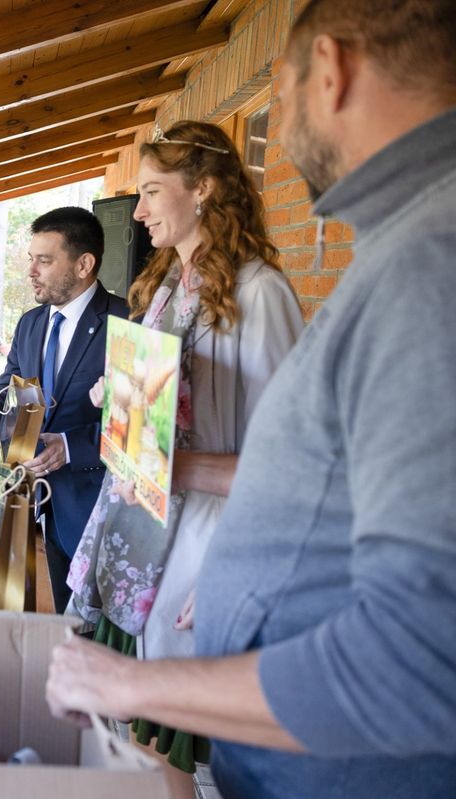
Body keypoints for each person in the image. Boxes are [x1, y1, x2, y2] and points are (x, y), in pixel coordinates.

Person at [45, 1, 456, 796]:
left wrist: (128, 686)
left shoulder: (421, 265)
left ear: (328, 70)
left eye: (282, 90)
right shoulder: (400, 247)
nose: (278, 126)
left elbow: (416, 661)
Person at [64, 120, 303, 771]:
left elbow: (290, 465)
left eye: (149, 192)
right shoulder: (167, 286)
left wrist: (237, 563)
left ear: (201, 189)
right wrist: (117, 398)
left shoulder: (261, 294)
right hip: (140, 536)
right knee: (138, 744)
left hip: (204, 545)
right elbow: (156, 410)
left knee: (162, 747)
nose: (136, 212)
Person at [0, 206, 128, 610]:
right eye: (30, 259)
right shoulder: (31, 323)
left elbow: (139, 429)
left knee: (83, 629)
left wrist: (71, 447)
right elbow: (8, 391)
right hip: (21, 500)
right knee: (27, 618)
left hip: (90, 510)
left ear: (84, 264)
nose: (31, 271)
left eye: (45, 260)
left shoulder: (129, 323)